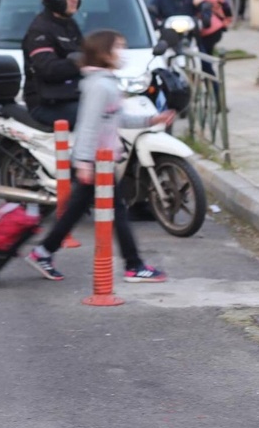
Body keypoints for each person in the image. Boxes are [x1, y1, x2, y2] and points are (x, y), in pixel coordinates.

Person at [26, 30, 174, 283]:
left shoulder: (106, 82)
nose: (123, 53)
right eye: (118, 47)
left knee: (77, 211)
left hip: (100, 161)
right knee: (116, 211)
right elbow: (88, 125)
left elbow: (118, 118)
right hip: (95, 162)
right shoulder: (100, 86)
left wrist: (151, 119)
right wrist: (84, 162)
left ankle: (43, 252)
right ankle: (134, 265)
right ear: (104, 53)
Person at [22, 0, 90, 128]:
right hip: (45, 105)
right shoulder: (40, 29)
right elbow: (48, 68)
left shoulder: (69, 24)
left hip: (70, 97)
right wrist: (79, 62)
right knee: (93, 118)